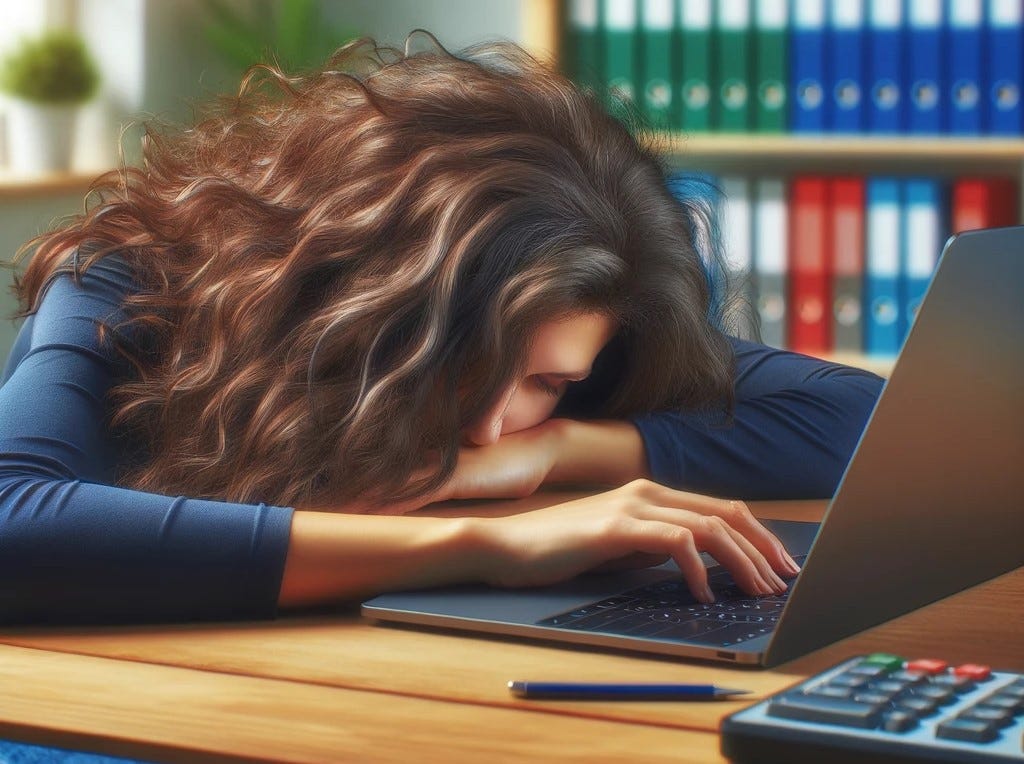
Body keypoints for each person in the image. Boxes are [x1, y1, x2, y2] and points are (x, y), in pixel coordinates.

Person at [0, 33, 883, 624]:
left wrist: (556, 449)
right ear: (368, 305)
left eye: (548, 383)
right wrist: (488, 543)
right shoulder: (134, 277)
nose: (491, 422)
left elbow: (861, 417)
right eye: (471, 364)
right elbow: (15, 524)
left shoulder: (578, 332)